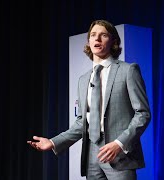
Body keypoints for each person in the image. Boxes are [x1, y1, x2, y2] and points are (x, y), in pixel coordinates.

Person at [27, 19, 151, 180]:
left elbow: (143, 114)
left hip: (119, 155)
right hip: (92, 155)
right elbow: (82, 122)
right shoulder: (83, 79)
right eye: (93, 35)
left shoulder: (128, 70)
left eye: (103, 35)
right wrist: (53, 142)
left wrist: (119, 144)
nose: (97, 39)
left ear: (113, 41)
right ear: (89, 41)